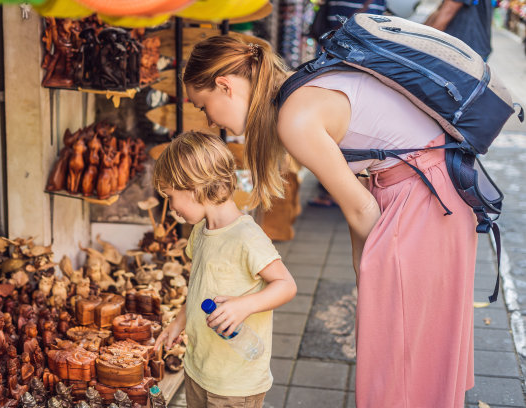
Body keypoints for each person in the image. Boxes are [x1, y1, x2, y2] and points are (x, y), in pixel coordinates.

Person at [183, 36, 478, 407]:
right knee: (418, 350)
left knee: (401, 353)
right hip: (432, 195)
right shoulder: (302, 88)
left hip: (423, 205)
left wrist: (369, 275)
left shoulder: (294, 117)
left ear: (225, 86)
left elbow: (361, 210)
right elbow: (362, 195)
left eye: (203, 106)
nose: (210, 120)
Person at [153, 131, 297, 408]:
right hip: (199, 369)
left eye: (171, 197)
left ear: (193, 187)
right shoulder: (200, 231)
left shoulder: (246, 237)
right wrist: (178, 322)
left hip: (235, 382)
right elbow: (198, 289)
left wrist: (243, 306)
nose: (171, 208)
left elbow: (286, 285)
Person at [425, 0, 493, 60]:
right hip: (476, 48)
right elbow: (441, 9)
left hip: (462, 52)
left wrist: (424, 44)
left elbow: (446, 14)